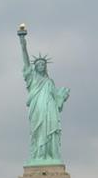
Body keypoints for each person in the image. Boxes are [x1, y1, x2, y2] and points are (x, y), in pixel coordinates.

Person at [17, 25, 70, 163]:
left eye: (43, 65)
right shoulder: (32, 78)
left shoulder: (49, 82)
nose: (41, 66)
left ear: (45, 67)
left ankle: (50, 156)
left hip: (50, 109)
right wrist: (22, 41)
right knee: (38, 131)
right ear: (35, 67)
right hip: (37, 109)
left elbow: (57, 101)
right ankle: (39, 156)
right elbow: (25, 58)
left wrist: (62, 97)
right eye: (38, 64)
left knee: (50, 131)